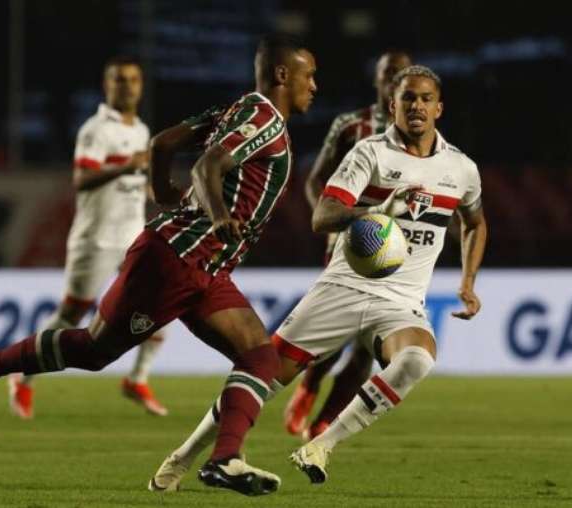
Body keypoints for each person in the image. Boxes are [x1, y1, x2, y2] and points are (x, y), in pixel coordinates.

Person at [0, 34, 318, 497]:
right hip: (175, 260)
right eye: (309, 75)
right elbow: (206, 168)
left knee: (262, 356)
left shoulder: (234, 111)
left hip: (207, 268)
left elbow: (162, 144)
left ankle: (225, 460)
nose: (314, 86)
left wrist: (162, 189)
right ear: (283, 75)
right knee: (94, 350)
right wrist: (219, 216)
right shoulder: (263, 117)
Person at [148, 64, 487, 489]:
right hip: (342, 289)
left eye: (424, 99)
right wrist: (378, 211)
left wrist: (468, 283)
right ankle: (183, 457)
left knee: (417, 359)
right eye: (407, 98)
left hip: (400, 302)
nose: (415, 106)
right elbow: (323, 216)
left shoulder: (461, 169)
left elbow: (475, 222)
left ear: (439, 108)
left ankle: (322, 444)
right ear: (392, 104)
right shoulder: (370, 153)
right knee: (265, 378)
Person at [8, 56, 168, 419]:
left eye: (133, 80)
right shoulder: (95, 130)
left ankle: (137, 379)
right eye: (119, 80)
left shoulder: (141, 129)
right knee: (71, 316)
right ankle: (23, 375)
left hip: (131, 235)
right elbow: (82, 179)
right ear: (106, 85)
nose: (127, 86)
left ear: (141, 86)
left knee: (164, 298)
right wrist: (129, 164)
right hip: (95, 239)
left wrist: (158, 193)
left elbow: (135, 184)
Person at [284, 50, 411, 439]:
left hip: (395, 251)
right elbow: (313, 181)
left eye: (402, 74)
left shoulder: (422, 136)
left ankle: (323, 423)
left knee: (366, 349)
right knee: (336, 338)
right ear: (376, 79)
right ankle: (308, 386)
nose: (395, 80)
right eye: (388, 72)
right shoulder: (349, 125)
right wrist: (328, 224)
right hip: (349, 245)